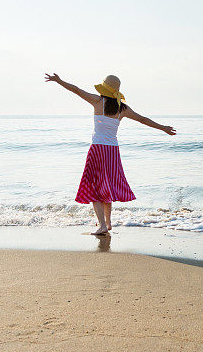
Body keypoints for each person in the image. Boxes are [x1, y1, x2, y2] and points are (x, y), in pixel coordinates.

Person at [44, 73, 176, 235]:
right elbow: (143, 119)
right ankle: (108, 223)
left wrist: (58, 81)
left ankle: (102, 226)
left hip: (98, 149)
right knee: (106, 185)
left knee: (94, 186)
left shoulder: (98, 101)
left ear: (104, 89)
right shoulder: (122, 108)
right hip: (113, 151)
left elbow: (76, 90)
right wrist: (163, 128)